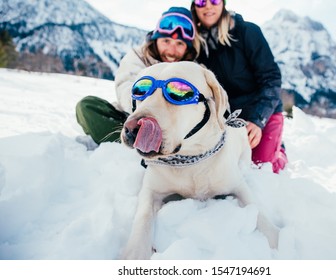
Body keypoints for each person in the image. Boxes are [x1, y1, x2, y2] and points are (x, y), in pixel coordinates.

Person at [76, 7, 199, 144]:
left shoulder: (193, 70)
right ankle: (129, 142)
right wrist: (146, 113)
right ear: (156, 39)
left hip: (172, 124)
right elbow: (125, 87)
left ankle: (143, 144)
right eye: (166, 41)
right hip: (132, 118)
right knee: (87, 106)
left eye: (179, 44)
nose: (171, 50)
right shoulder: (138, 57)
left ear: (188, 48)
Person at [190, 0, 287, 173]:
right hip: (228, 120)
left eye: (214, 0)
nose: (208, 6)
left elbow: (271, 79)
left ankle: (279, 152)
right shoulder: (197, 47)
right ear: (194, 7)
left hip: (262, 113)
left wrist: (258, 121)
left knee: (260, 169)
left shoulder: (247, 32)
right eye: (201, 1)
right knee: (224, 169)